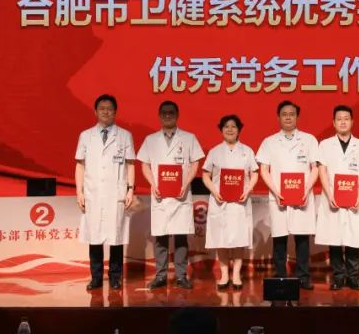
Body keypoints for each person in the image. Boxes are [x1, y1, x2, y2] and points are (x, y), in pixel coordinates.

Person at [139, 100, 205, 290]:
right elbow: (144, 164)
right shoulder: (150, 140)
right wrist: (153, 184)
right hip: (160, 195)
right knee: (160, 237)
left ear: (177, 115)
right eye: (164, 113)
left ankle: (181, 276)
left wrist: (186, 183)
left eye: (171, 113)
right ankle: (160, 276)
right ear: (159, 116)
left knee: (180, 236)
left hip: (180, 195)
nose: (168, 116)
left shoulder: (189, 138)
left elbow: (195, 163)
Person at [75, 94, 136, 291]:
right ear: (95, 111)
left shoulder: (125, 136)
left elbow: (130, 164)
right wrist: (79, 191)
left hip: (116, 193)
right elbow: (80, 165)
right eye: (102, 108)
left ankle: (116, 277)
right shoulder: (86, 136)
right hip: (93, 192)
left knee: (116, 236)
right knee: (95, 237)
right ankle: (96, 277)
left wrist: (130, 189)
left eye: (109, 108)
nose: (106, 112)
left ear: (115, 112)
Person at [256, 100, 319, 290]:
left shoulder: (309, 140)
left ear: (297, 117)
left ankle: (303, 277)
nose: (288, 117)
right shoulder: (269, 142)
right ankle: (281, 276)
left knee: (302, 238)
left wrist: (306, 190)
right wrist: (275, 191)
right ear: (279, 117)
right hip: (279, 196)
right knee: (279, 238)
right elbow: (264, 170)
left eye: (292, 114)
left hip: (303, 196)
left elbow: (315, 168)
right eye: (284, 114)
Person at [315, 104, 359, 290]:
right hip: (332, 196)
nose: (343, 122)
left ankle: (353, 277)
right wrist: (328, 193)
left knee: (353, 238)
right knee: (335, 238)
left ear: (352, 122)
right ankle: (338, 277)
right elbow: (322, 170)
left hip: (354, 198)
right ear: (333, 123)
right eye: (339, 119)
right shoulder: (324, 145)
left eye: (346, 119)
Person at [201, 114, 259, 290]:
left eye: (233, 126)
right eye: (226, 126)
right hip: (220, 201)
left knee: (239, 239)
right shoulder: (214, 151)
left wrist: (248, 190)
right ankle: (225, 275)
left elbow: (254, 174)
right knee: (221, 239)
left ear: (239, 130)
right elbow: (205, 175)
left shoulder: (247, 151)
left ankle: (236, 275)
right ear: (221, 130)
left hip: (240, 202)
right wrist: (214, 191)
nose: (230, 129)